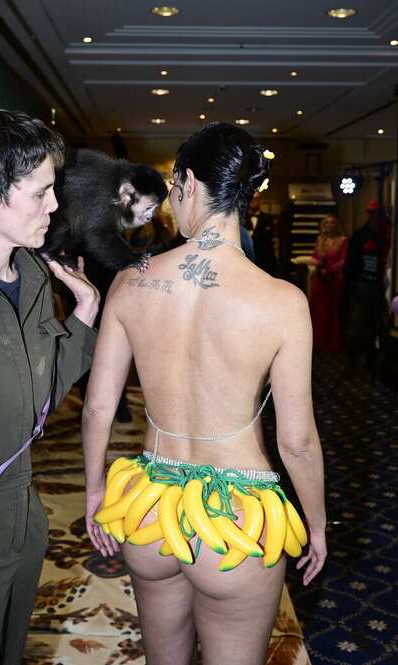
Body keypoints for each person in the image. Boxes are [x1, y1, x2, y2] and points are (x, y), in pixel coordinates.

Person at [82, 122, 326, 665]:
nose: (172, 202)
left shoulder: (131, 280)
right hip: (239, 523)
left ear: (189, 182)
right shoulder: (282, 301)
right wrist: (316, 524)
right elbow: (297, 442)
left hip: (150, 510)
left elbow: (98, 406)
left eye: (173, 189)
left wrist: (95, 491)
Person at [0, 107, 100, 665]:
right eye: (40, 192)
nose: (54, 206)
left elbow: (41, 395)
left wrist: (85, 313)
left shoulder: (32, 276)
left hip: (25, 517)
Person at [344, 199, 391, 374]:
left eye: (378, 213)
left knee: (376, 327)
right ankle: (351, 363)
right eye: (372, 213)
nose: (375, 216)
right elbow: (351, 261)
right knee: (356, 326)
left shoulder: (390, 234)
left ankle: (371, 362)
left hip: (382, 286)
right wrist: (353, 282)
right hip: (363, 284)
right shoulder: (360, 234)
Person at [309, 215, 348, 352]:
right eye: (327, 223)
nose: (329, 225)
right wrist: (316, 263)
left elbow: (343, 261)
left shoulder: (343, 240)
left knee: (332, 309)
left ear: (337, 225)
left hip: (334, 278)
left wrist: (329, 269)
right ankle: (318, 342)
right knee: (318, 309)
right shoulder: (320, 239)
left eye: (332, 222)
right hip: (320, 278)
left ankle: (332, 343)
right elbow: (313, 257)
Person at [244, 190, 278, 275]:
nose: (253, 201)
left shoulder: (268, 218)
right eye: (251, 198)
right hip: (247, 262)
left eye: (256, 199)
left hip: (266, 263)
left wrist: (252, 234)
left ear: (260, 200)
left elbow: (269, 236)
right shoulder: (242, 219)